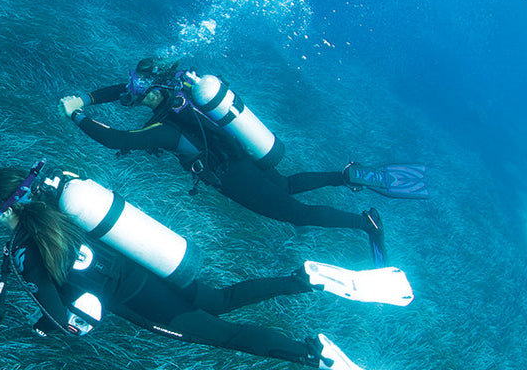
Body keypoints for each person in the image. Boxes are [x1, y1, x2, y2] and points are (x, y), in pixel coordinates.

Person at [0, 165, 411, 370]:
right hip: (150, 271)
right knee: (220, 300)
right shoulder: (53, 207)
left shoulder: (27, 252)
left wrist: (50, 328)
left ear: (3, 207)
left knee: (230, 337)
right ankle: (305, 279)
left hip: (142, 304)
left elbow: (59, 318)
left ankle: (317, 354)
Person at [61, 58, 427, 266]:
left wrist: (76, 116)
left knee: (294, 213)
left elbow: (118, 140)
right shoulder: (184, 93)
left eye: (139, 93)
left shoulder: (165, 130)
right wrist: (88, 98)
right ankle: (344, 175)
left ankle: (365, 223)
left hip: (230, 174)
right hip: (240, 151)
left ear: (155, 91)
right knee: (284, 186)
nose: (133, 96)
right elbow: (121, 90)